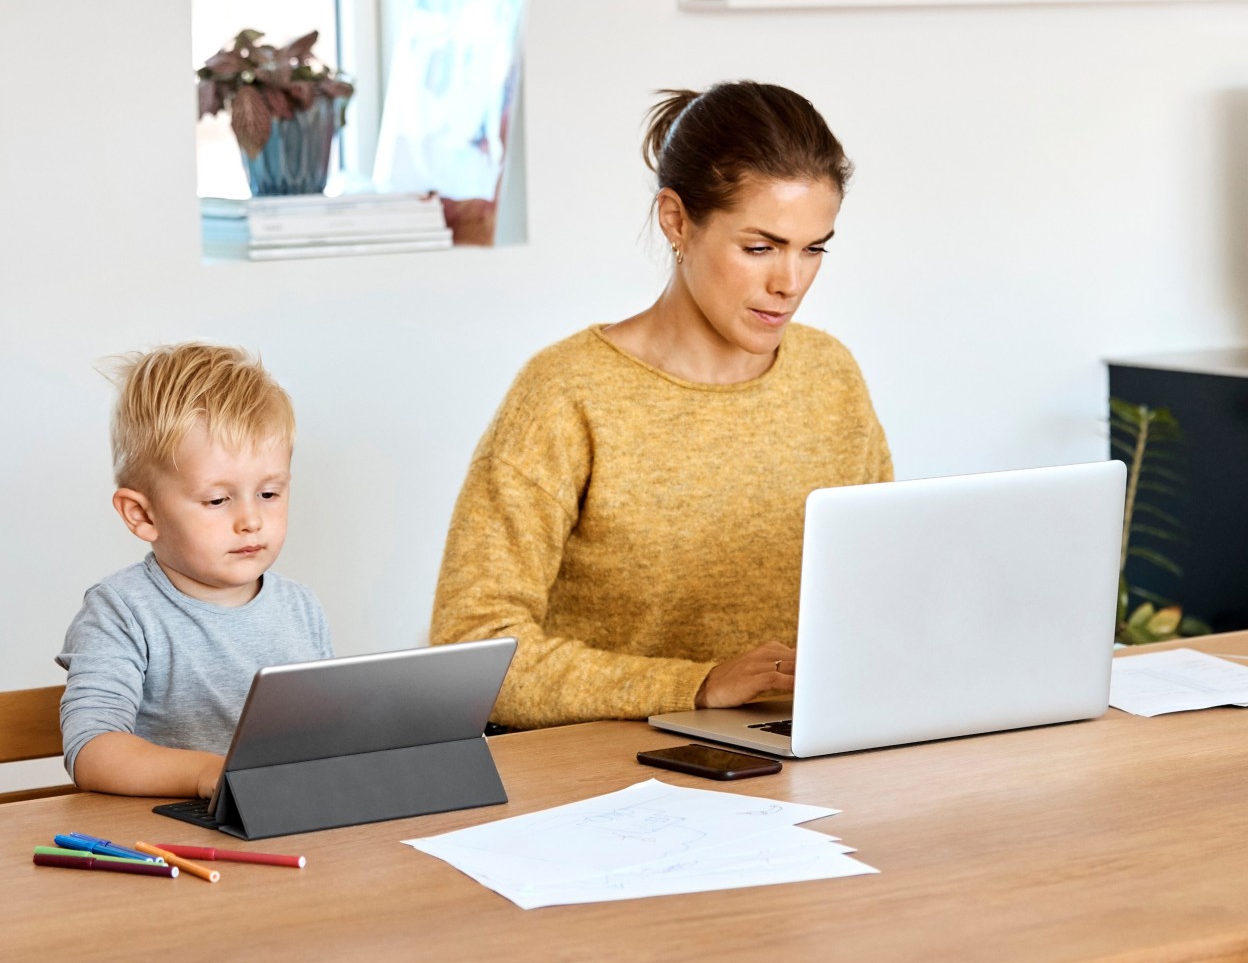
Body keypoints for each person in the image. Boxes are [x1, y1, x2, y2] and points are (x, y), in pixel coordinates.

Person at [431, 80, 891, 729]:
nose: (789, 283)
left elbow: (879, 600)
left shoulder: (830, 375)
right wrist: (696, 685)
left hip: (798, 758)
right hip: (600, 780)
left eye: (813, 248)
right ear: (676, 220)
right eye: (759, 247)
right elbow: (470, 654)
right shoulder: (567, 393)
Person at [56, 342, 331, 797]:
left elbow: (323, 737)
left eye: (268, 494)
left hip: (281, 827)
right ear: (142, 516)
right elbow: (93, 751)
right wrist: (210, 774)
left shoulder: (300, 607)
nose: (251, 520)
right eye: (218, 500)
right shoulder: (121, 611)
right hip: (167, 841)